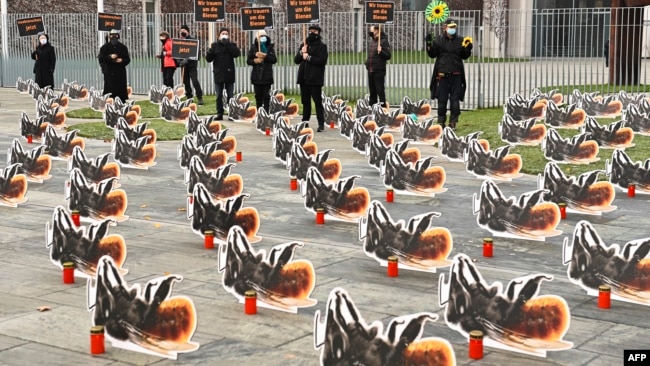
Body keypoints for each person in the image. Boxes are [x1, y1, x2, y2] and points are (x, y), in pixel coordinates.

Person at [426, 19, 472, 130]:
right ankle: (441, 121)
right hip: (442, 75)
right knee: (442, 100)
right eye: (450, 27)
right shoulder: (438, 40)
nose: (452, 29)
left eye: (454, 27)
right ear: (445, 27)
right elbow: (432, 54)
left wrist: (468, 49)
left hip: (456, 74)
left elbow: (464, 56)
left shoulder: (461, 40)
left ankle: (453, 122)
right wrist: (429, 45)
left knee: (455, 101)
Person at [294, 24, 328, 132]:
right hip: (304, 78)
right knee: (305, 101)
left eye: (314, 31)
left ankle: (321, 123)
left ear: (318, 33)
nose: (312, 33)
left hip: (315, 79)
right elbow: (296, 60)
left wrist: (308, 57)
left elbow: (322, 61)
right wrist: (301, 52)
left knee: (317, 101)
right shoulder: (304, 45)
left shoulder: (322, 47)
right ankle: (305, 121)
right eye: (310, 31)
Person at [206, 28, 240, 120]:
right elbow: (209, 59)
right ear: (219, 35)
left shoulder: (232, 45)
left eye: (226, 34)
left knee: (230, 95)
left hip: (229, 73)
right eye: (223, 33)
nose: (224, 35)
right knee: (219, 95)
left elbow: (236, 54)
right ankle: (219, 113)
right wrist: (209, 52)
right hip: (218, 73)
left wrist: (227, 44)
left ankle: (231, 113)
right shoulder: (215, 45)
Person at [247, 30, 277, 112]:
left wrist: (265, 56)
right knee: (258, 96)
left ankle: (266, 112)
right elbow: (248, 61)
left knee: (266, 96)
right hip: (256, 76)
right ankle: (259, 112)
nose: (263, 38)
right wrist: (255, 60)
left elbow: (274, 60)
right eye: (260, 36)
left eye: (264, 36)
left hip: (267, 76)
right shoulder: (253, 48)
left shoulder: (269, 47)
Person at [98, 29, 130, 102]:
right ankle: (110, 100)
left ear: (118, 36)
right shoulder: (104, 47)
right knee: (110, 88)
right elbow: (101, 59)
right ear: (109, 36)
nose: (114, 37)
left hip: (120, 71)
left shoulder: (123, 47)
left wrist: (122, 60)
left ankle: (121, 101)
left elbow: (127, 59)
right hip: (109, 71)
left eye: (115, 35)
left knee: (120, 88)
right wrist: (110, 57)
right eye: (112, 35)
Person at [364, 25, 391, 108]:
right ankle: (372, 107)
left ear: (377, 31)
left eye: (372, 31)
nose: (370, 32)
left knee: (380, 91)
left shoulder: (383, 42)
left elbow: (388, 56)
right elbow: (371, 55)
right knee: (372, 91)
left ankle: (383, 107)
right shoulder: (373, 42)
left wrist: (381, 51)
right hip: (371, 70)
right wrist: (367, 63)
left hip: (379, 70)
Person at [178, 25, 204, 105]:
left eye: (184, 30)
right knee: (186, 82)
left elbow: (195, 52)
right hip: (183, 65)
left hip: (192, 64)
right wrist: (179, 61)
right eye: (181, 30)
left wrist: (188, 60)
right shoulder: (179, 41)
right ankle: (189, 97)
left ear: (188, 31)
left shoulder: (193, 40)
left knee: (195, 81)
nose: (183, 31)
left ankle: (199, 97)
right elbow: (176, 52)